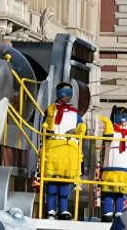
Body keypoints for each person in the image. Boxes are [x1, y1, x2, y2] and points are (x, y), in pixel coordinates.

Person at [43, 82, 86, 220]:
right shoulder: (51, 110)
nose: (66, 98)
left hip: (69, 152)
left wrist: (79, 131)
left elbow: (80, 131)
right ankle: (50, 210)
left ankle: (63, 210)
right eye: (64, 95)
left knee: (66, 183)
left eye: (68, 95)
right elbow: (45, 130)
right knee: (51, 181)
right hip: (53, 149)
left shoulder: (75, 114)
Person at [100, 105, 127, 222]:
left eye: (126, 117)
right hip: (110, 166)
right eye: (121, 116)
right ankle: (107, 212)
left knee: (120, 192)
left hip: (124, 167)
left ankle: (120, 213)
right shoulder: (111, 131)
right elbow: (107, 140)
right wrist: (108, 124)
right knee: (108, 191)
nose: (124, 120)